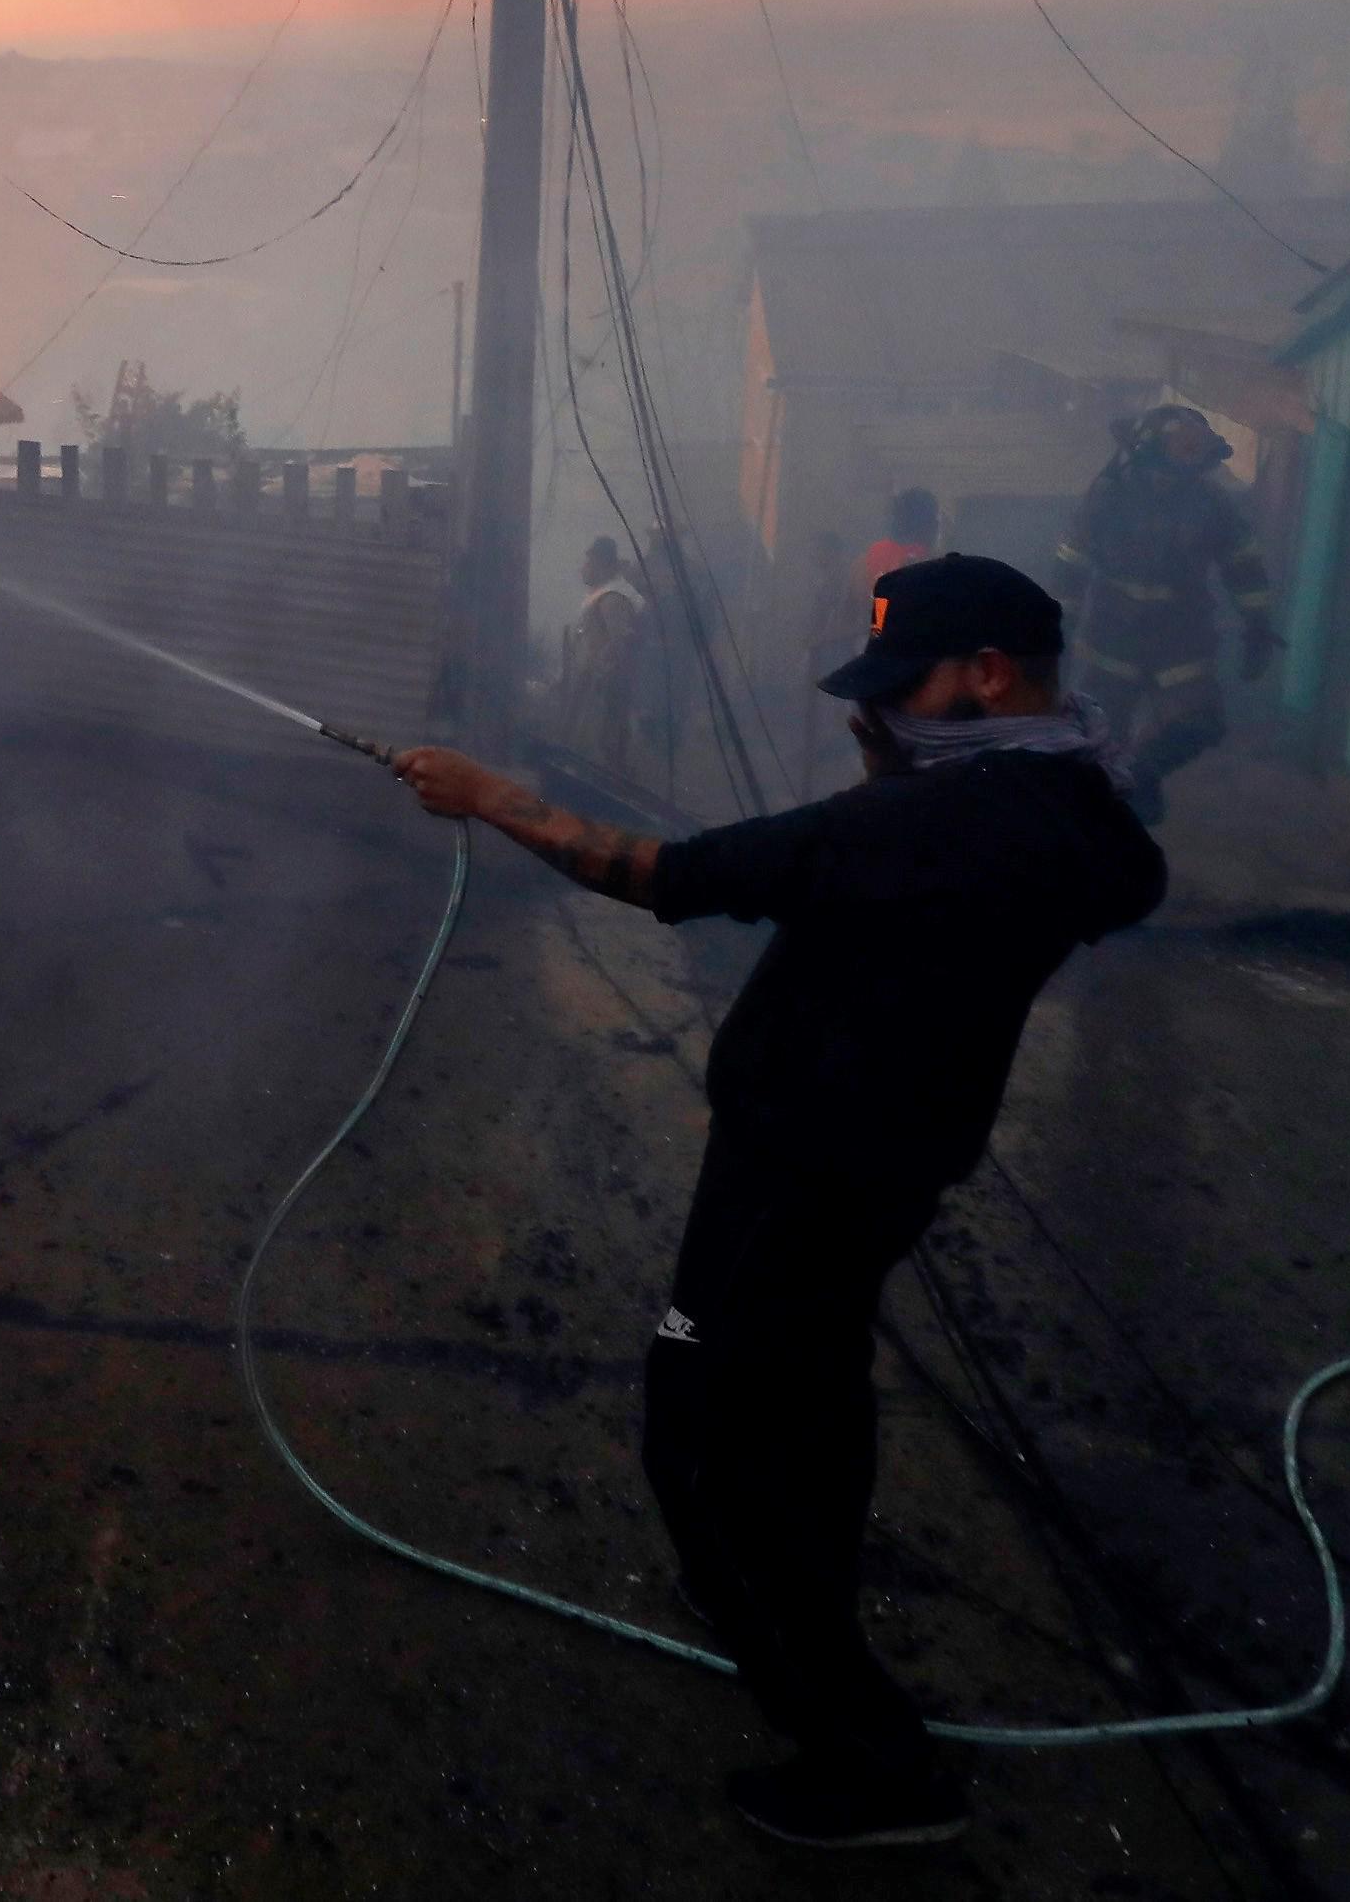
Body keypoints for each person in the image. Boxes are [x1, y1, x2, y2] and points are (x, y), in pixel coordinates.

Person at [359, 556, 1163, 1848]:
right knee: (815, 1399)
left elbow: (665, 872)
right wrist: (903, 768)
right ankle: (776, 1594)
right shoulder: (1074, 801)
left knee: (704, 1432)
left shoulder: (934, 821)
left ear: (988, 675)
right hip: (887, 1160)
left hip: (803, 1165)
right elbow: (1113, 879)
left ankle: (870, 1758)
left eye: (903, 688)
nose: (877, 713)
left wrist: (490, 794)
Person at [1054, 405, 1277, 823]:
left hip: (1182, 636)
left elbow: (1243, 565)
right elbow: (1073, 562)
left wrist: (1258, 625)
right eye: (1174, 454)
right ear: (1146, 453)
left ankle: (1141, 772)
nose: (1173, 477)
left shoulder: (1211, 503)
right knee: (1097, 734)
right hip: (1113, 636)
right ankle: (1096, 818)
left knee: (1200, 722)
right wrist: (1061, 624)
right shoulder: (1109, 497)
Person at [558, 535, 648, 772]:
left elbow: (620, 644)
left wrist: (600, 675)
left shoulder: (613, 598)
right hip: (590, 682)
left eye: (589, 563)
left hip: (599, 688)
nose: (584, 569)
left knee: (594, 744)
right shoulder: (603, 595)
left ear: (601, 564)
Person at [859, 487, 938, 595]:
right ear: (928, 524)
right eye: (934, 520)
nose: (937, 525)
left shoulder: (865, 560)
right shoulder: (929, 564)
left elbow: (855, 601)